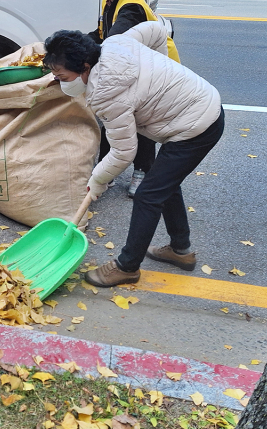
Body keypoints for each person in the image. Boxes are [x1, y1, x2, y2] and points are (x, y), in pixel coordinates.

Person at [43, 23, 224, 287]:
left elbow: (123, 152)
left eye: (62, 77)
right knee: (164, 184)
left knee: (148, 195)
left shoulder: (106, 95)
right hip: (200, 102)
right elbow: (156, 30)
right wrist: (163, 71)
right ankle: (180, 250)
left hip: (196, 126)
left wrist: (97, 180)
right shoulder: (115, 43)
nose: (59, 82)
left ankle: (127, 267)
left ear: (85, 67)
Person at [88, 0, 181, 198]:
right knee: (113, 116)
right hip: (135, 64)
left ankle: (142, 172)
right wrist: (72, 43)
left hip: (158, 69)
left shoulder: (131, 7)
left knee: (142, 121)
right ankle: (106, 170)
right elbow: (101, 34)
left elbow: (113, 42)